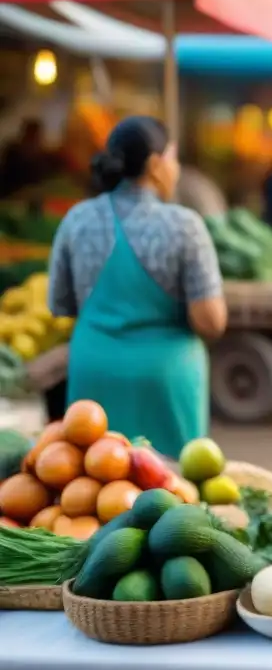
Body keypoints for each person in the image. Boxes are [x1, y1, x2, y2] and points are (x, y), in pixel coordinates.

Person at [47, 116, 227, 457]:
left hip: (94, 381)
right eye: (174, 158)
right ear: (156, 164)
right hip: (165, 382)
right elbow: (211, 322)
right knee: (172, 494)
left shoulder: (77, 219)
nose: (176, 168)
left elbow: (60, 304)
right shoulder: (185, 226)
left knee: (92, 491)